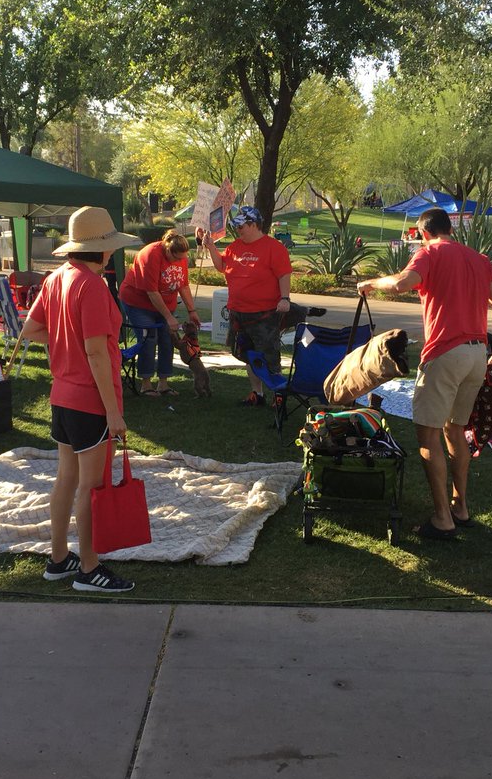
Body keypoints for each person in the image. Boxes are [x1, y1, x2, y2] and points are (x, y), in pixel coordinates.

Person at [357, 208, 492, 539]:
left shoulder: (429, 253)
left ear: (424, 233)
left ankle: (443, 519)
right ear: (449, 229)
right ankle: (460, 507)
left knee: (428, 436)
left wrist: (371, 283)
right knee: (455, 430)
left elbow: (401, 284)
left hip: (445, 354)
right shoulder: (479, 259)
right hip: (477, 354)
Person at [19, 206, 141, 593]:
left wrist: (62, 342)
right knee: (91, 485)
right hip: (90, 400)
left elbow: (30, 329)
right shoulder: (91, 286)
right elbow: (96, 351)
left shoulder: (57, 277)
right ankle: (89, 568)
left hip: (62, 395)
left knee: (66, 478)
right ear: (102, 249)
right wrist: (113, 412)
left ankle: (59, 558)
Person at [196, 205, 293, 406]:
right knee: (247, 354)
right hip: (238, 312)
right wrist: (211, 247)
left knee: (269, 355)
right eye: (236, 226)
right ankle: (257, 393)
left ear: (254, 224)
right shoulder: (234, 247)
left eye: (241, 226)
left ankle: (278, 396)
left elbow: (284, 274)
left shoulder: (274, 247)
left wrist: (285, 298)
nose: (238, 229)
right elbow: (222, 266)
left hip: (264, 313)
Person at [119, 229, 201, 396]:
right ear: (168, 250)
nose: (179, 261)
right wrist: (168, 317)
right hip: (138, 302)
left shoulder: (181, 258)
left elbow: (183, 285)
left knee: (168, 339)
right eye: (176, 258)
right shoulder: (150, 255)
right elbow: (152, 292)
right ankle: (146, 384)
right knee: (149, 338)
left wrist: (191, 310)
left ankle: (163, 384)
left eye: (182, 258)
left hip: (166, 303)